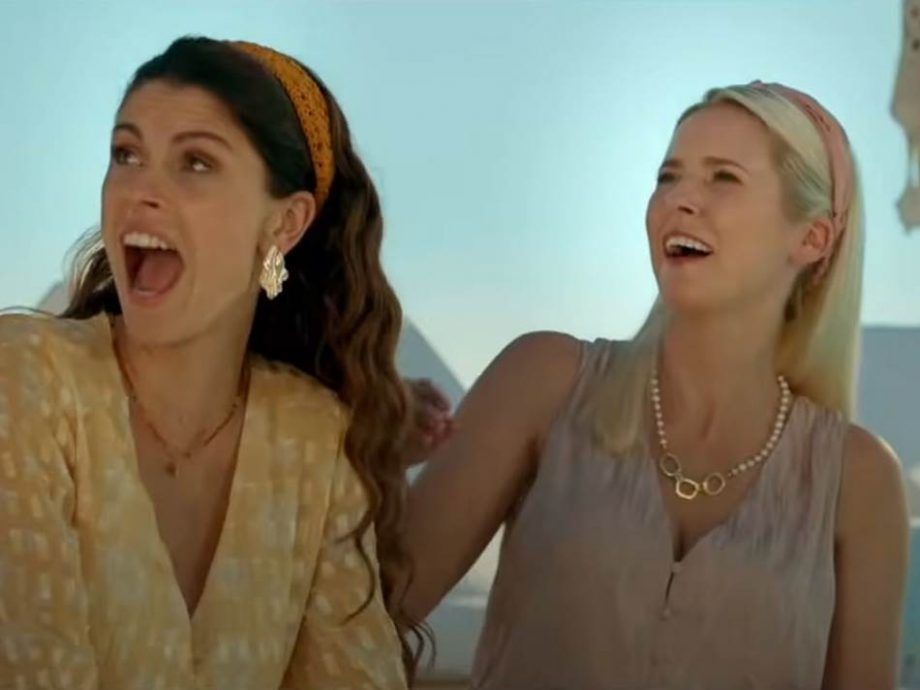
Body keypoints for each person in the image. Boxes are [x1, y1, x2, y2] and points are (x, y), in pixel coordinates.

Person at [405, 82, 910, 689]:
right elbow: (363, 613)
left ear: (812, 238)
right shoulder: (542, 381)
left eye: (723, 177)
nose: (679, 199)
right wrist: (356, 449)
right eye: (668, 176)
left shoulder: (859, 481)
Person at [0, 36, 414, 689]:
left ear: (285, 224)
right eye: (126, 154)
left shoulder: (314, 438)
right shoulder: (26, 379)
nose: (141, 191)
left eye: (195, 162)